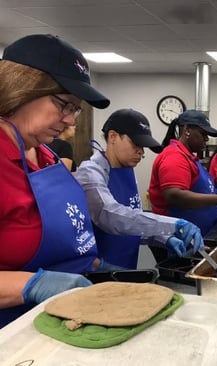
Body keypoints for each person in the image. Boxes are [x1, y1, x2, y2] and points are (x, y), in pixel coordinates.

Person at [0, 34, 115, 328]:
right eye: (64, 104)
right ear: (20, 88)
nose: (70, 121)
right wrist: (32, 285)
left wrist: (94, 266)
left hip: (56, 324)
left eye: (74, 109)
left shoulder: (46, 155)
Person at [75, 108, 204, 269]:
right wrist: (174, 224)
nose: (141, 153)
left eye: (143, 147)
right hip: (100, 270)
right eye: (136, 144)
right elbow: (111, 216)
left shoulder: (127, 170)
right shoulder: (90, 173)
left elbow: (134, 218)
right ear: (113, 137)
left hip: (126, 265)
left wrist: (163, 238)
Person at [148, 110, 217, 262]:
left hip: (200, 235)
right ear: (187, 130)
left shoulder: (189, 157)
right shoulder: (175, 157)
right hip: (181, 238)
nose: (206, 139)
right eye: (203, 134)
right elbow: (174, 195)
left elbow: (202, 189)